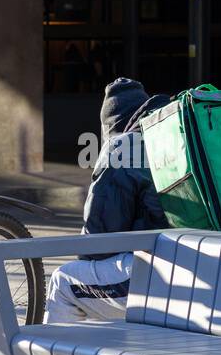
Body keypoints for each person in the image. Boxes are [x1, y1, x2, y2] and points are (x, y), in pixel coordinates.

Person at [45, 77, 169, 322]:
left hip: (158, 279)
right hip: (207, 273)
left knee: (63, 283)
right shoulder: (173, 139)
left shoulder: (121, 149)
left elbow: (96, 243)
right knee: (100, 284)